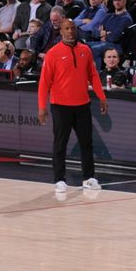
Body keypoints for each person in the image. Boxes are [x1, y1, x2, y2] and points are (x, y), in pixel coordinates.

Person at [37, 19, 107, 193]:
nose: (70, 31)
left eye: (73, 28)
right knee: (60, 144)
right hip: (60, 105)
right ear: (61, 31)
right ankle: (59, 180)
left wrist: (102, 96)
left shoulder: (85, 50)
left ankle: (89, 178)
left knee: (87, 143)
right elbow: (44, 83)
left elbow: (94, 75)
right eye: (67, 28)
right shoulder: (53, 53)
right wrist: (42, 107)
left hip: (82, 104)